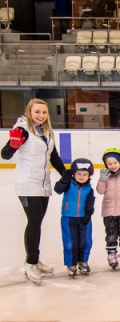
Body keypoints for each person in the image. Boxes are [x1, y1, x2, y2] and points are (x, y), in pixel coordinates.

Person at [1, 98, 69, 285]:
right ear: (29, 112)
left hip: (43, 184)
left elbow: (53, 156)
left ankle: (34, 259)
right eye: (37, 112)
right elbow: (5, 154)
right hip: (27, 183)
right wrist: (13, 146)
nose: (40, 115)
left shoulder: (46, 131)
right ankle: (30, 263)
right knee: (34, 221)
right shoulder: (22, 129)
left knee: (37, 223)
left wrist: (64, 173)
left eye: (44, 112)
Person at [54, 158, 95, 277]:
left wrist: (88, 214)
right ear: (73, 173)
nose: (81, 176)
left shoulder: (89, 189)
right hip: (68, 218)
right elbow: (57, 190)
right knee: (70, 242)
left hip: (84, 219)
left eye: (85, 174)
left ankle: (83, 261)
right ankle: (71, 263)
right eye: (78, 174)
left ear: (89, 175)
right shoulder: (68, 184)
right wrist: (62, 181)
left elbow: (90, 203)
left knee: (85, 241)